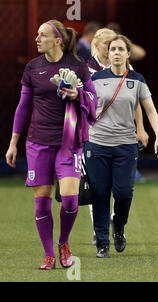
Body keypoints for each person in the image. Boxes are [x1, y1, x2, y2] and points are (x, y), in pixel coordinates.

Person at [5, 19, 97, 269]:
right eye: (37, 35)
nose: (37, 39)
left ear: (58, 40)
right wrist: (13, 143)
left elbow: (93, 98)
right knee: (42, 200)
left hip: (69, 142)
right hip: (38, 143)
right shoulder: (33, 67)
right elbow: (23, 107)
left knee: (69, 200)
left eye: (42, 35)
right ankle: (48, 255)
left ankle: (63, 242)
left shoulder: (78, 66)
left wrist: (78, 94)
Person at [85, 35, 158, 258]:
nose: (117, 53)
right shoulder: (96, 78)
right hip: (97, 143)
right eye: (113, 49)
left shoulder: (138, 79)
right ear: (107, 54)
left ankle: (118, 226)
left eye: (121, 49)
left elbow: (150, 110)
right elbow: (84, 108)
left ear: (128, 54)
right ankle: (102, 243)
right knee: (100, 194)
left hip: (126, 145)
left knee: (123, 193)